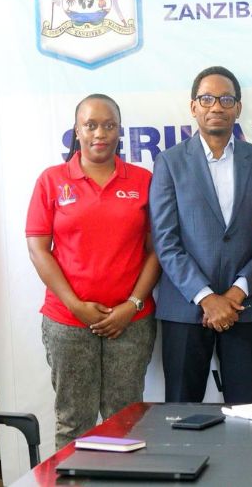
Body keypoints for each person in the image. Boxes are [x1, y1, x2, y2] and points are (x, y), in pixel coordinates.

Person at [26, 94, 158, 448]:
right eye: (91, 125)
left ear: (120, 131)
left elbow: (157, 251)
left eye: (109, 125)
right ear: (77, 131)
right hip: (68, 322)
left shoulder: (143, 180)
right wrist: (76, 306)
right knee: (74, 422)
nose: (100, 133)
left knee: (126, 420)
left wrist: (132, 304)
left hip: (130, 322)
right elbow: (38, 249)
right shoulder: (52, 180)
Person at [150, 66, 252, 403]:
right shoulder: (170, 163)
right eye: (207, 99)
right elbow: (166, 241)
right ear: (193, 106)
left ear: (238, 107)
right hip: (185, 307)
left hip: (244, 306)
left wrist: (237, 292)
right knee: (181, 414)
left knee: (246, 413)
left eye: (226, 99)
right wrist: (206, 297)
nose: (216, 107)